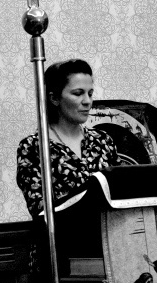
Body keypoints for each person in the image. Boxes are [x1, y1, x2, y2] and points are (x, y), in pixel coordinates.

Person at [15, 58, 125, 218]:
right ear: (54, 98)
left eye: (90, 94)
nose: (87, 101)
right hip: (66, 232)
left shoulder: (102, 140)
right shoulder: (34, 146)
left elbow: (123, 191)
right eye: (78, 94)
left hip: (112, 230)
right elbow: (39, 209)